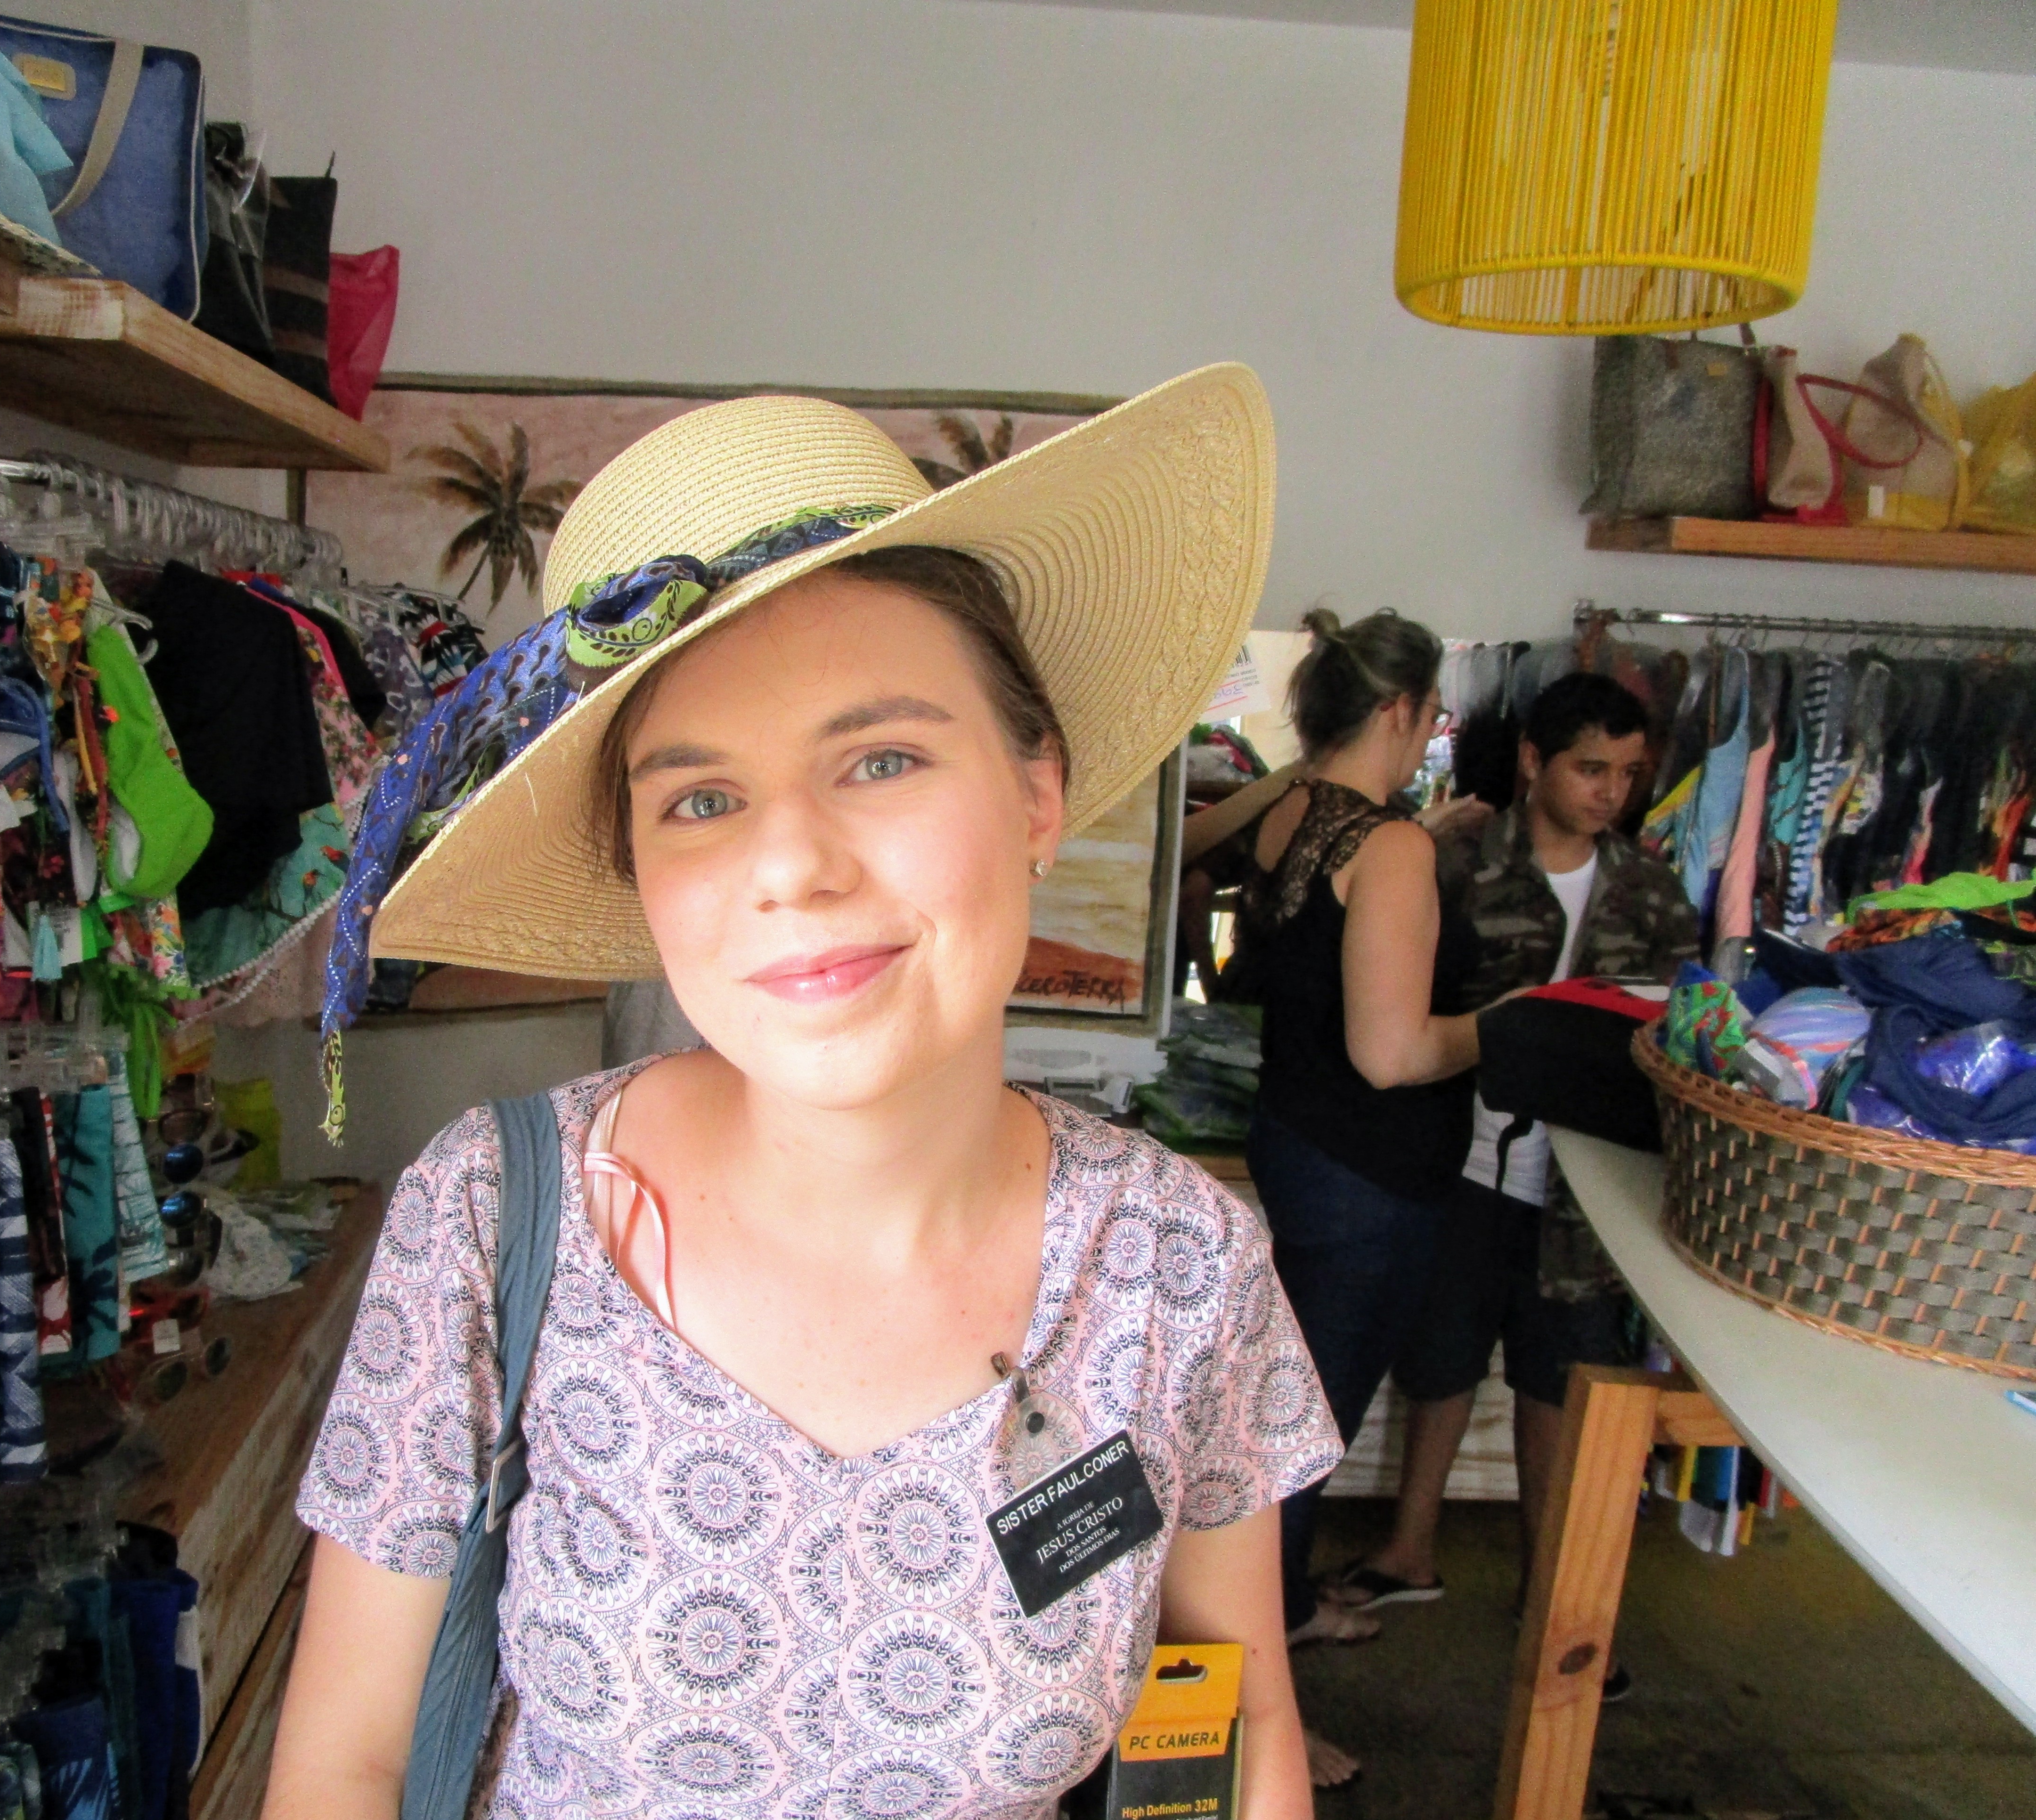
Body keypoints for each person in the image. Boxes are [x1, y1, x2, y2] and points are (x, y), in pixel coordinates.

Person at [265, 374, 1343, 1820]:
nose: (793, 869)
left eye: (882, 760)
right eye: (701, 800)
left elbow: (1232, 1730)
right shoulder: (492, 1215)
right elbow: (346, 1763)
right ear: (640, 868)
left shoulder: (1177, 1267)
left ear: (1037, 794)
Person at [1323, 674, 1698, 1675]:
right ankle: (1410, 1546)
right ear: (1533, 761)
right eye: (1588, 768)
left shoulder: (1651, 893)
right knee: (1439, 1358)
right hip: (1463, 1159)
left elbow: (1680, 1034)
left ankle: (1552, 1591)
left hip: (1593, 1190)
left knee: (1561, 1384)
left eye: (1625, 774)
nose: (1607, 791)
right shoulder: (1450, 866)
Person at [1238, 607, 1483, 1787]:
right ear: (1399, 713)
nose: (1432, 731)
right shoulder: (1388, 850)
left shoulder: (1288, 813)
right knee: (1299, 1443)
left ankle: (1280, 1615)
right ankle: (1267, 1719)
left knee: (1284, 1418)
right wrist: (1510, 1024)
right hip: (1370, 1174)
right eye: (1431, 713)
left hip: (1294, 1143)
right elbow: (1393, 1052)